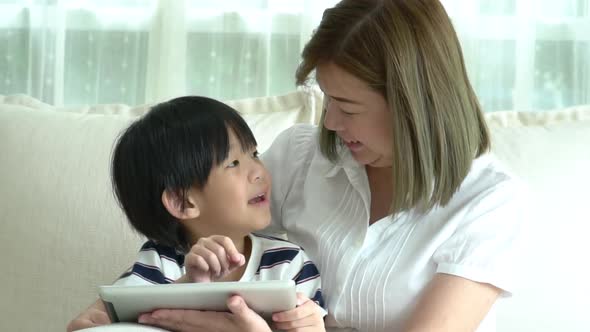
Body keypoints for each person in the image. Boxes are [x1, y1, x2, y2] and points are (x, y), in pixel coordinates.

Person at [69, 0, 527, 331]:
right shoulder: (304, 156)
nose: (329, 120)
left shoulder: (487, 202)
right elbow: (205, 212)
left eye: (347, 106)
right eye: (327, 98)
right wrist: (113, 311)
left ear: (413, 105)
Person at [66, 96, 326, 332]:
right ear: (182, 202)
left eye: (254, 154)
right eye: (233, 163)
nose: (259, 170)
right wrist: (189, 284)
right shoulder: (159, 263)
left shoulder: (288, 263)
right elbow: (118, 320)